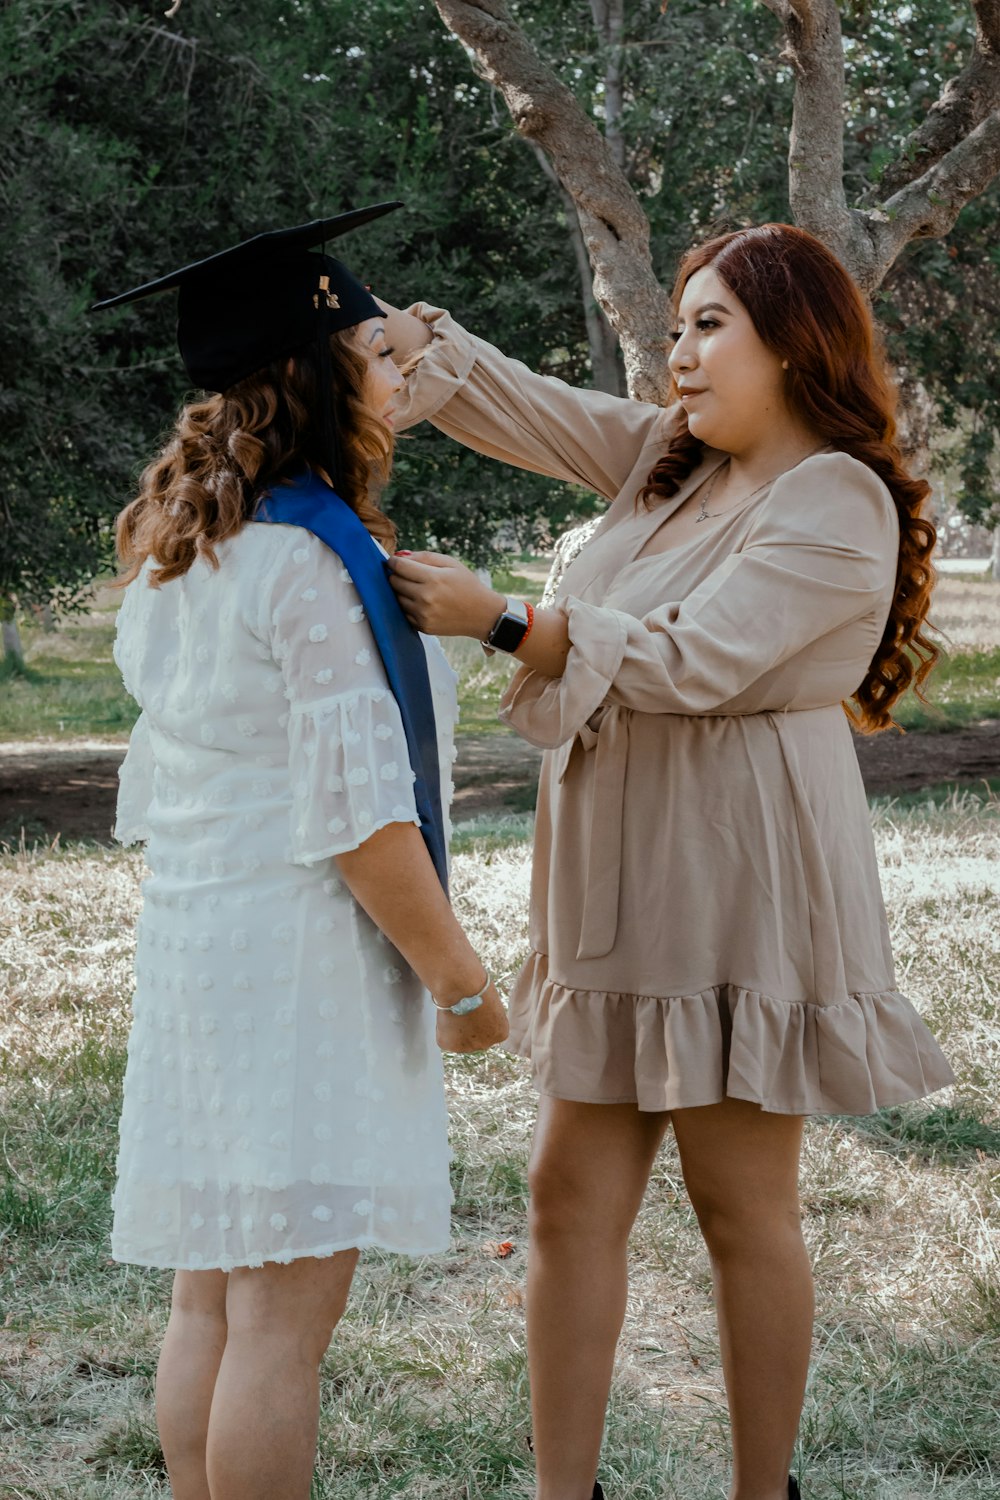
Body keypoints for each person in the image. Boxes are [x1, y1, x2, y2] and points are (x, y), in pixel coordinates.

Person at [378, 223, 955, 1500]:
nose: (678, 354)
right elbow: (530, 410)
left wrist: (507, 621)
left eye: (711, 327)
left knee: (738, 1208)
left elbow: (699, 658)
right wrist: (410, 337)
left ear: (796, 344)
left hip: (738, 869)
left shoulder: (835, 497)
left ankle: (764, 1493)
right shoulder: (671, 463)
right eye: (678, 324)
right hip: (612, 866)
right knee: (565, 1198)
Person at [93, 203, 508, 1500]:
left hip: (204, 953)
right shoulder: (317, 568)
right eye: (380, 360)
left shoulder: (188, 552)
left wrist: (395, 362)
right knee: (281, 1328)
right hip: (302, 968)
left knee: (209, 1304)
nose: (402, 381)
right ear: (318, 379)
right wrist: (463, 984)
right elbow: (363, 818)